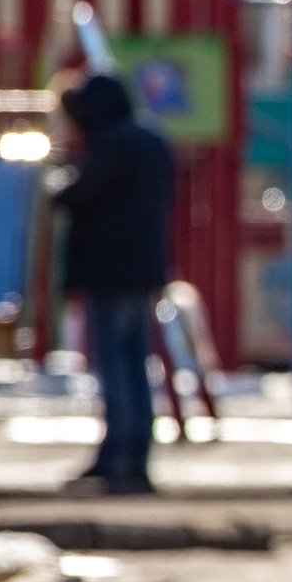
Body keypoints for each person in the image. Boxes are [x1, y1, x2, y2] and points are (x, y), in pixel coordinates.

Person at [52, 74, 175, 497]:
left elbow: (77, 196)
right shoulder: (151, 142)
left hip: (109, 271)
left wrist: (62, 176)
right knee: (136, 361)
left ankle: (118, 454)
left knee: (115, 366)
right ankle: (135, 452)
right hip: (143, 271)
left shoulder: (110, 145)